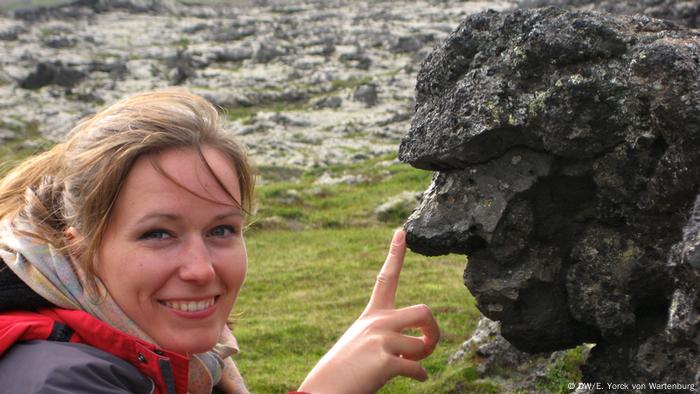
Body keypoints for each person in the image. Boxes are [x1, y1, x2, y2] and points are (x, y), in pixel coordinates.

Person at [0, 89, 439, 393]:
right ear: (79, 246)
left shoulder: (168, 355)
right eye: (158, 234)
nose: (201, 269)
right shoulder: (53, 378)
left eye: (222, 229)